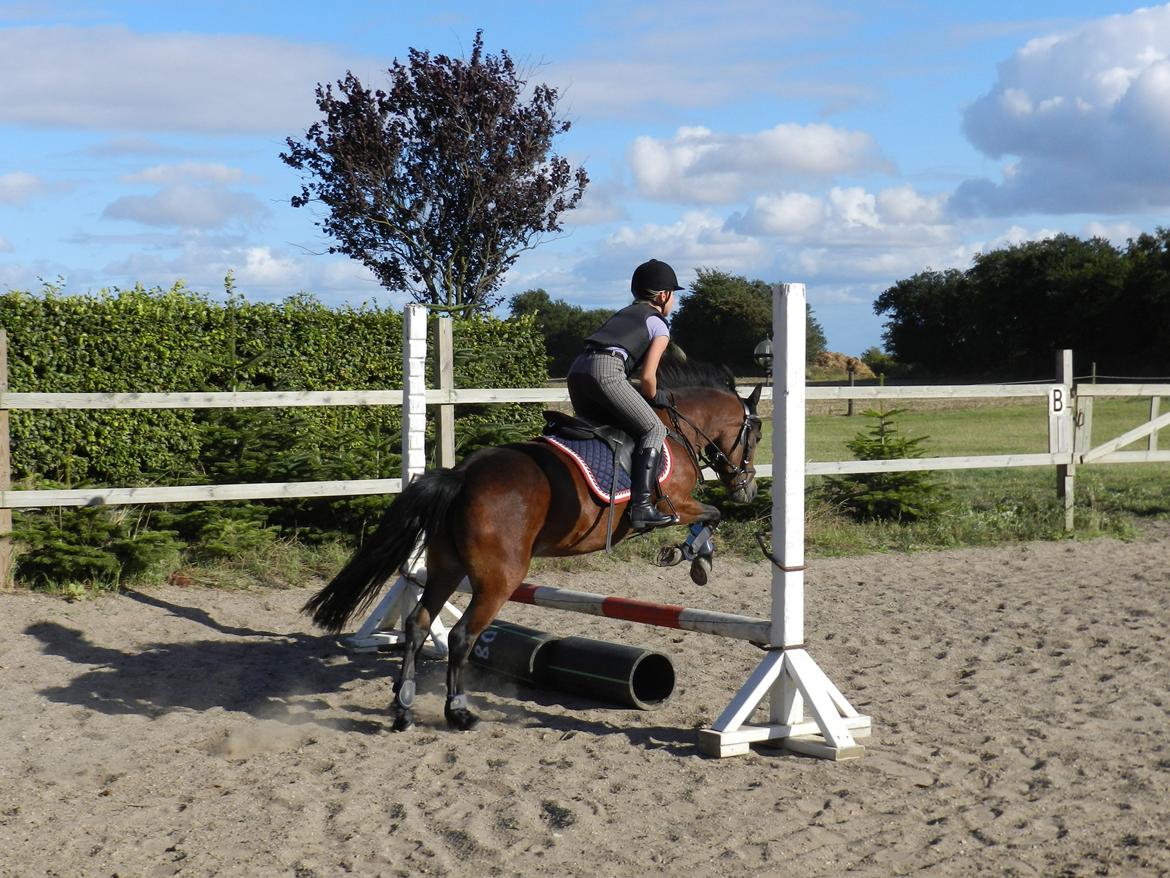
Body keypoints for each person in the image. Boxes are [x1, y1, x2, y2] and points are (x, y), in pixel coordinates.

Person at [568, 258, 682, 532]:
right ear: (664, 295)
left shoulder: (623, 314)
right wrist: (655, 397)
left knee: (602, 430)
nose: (674, 302)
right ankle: (642, 508)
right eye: (674, 295)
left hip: (577, 370)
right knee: (654, 428)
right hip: (605, 371)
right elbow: (647, 378)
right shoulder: (659, 324)